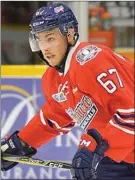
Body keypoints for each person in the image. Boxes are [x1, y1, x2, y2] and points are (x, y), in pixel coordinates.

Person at [1, 3, 135, 179]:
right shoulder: (52, 78)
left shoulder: (91, 61)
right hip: (120, 155)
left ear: (70, 34)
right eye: (40, 40)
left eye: (50, 38)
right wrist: (21, 143)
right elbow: (54, 118)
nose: (45, 47)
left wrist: (93, 146)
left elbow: (130, 114)